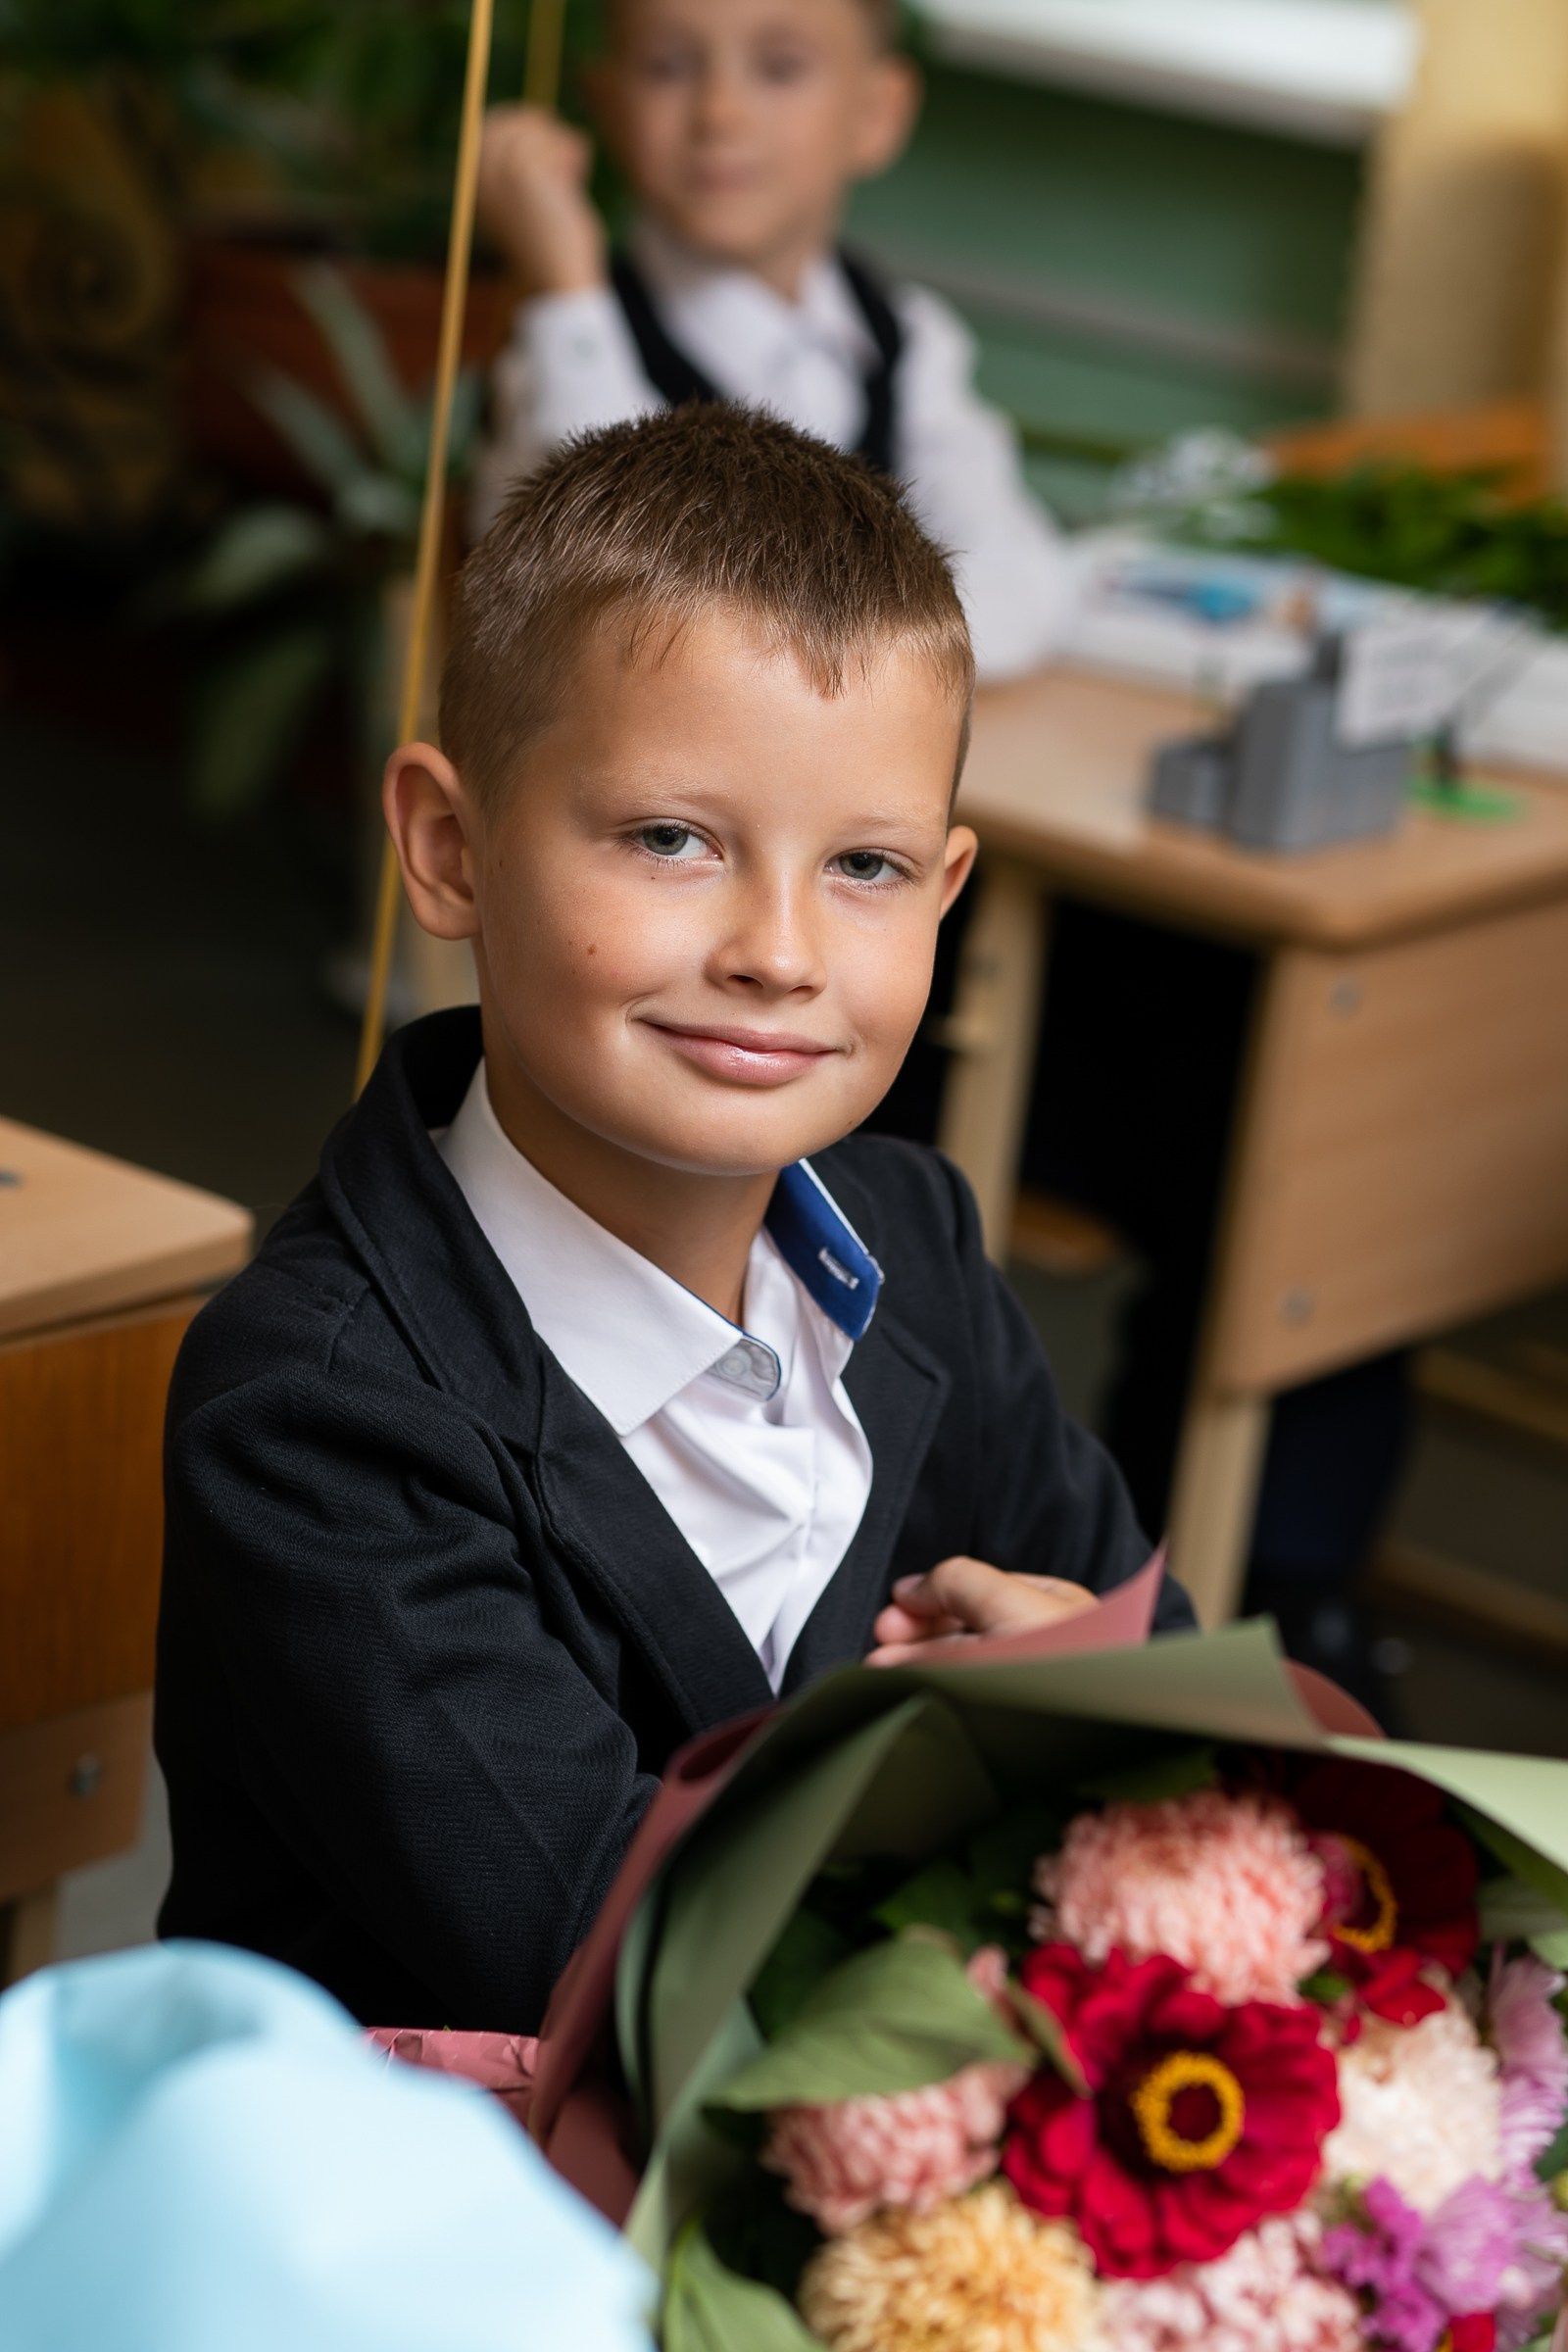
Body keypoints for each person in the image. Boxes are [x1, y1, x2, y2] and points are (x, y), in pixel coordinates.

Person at [156, 409, 1190, 2037]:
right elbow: (626, 1964)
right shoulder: (316, 1408)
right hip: (453, 2180)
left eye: (865, 867)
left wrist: (1114, 1704)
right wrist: (1057, 1753)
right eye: (669, 839)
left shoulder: (913, 1240)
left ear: (947, 893)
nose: (778, 951)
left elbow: (1173, 1680)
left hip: (908, 2126)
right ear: (451, 850)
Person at [469, 0, 1072, 678]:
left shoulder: (906, 339)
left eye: (780, 69)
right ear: (608, 104)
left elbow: (1018, 590)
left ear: (876, 112)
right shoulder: (569, 343)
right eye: (668, 68)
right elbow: (600, 608)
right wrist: (566, 289)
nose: (719, 114)